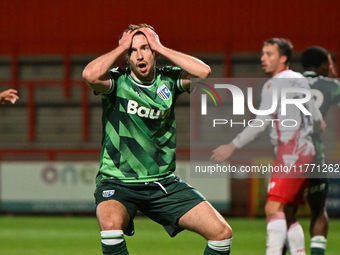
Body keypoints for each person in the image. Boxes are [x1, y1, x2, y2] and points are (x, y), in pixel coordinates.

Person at [82, 24, 232, 255]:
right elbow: (89, 75)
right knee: (111, 227)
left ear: (154, 53)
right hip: (118, 181)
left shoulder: (169, 81)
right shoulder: (117, 82)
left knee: (221, 234)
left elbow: (204, 73)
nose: (140, 55)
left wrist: (160, 45)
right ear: (126, 56)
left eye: (145, 48)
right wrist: (121, 46)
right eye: (132, 50)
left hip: (163, 182)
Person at [210, 38, 322, 255]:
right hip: (307, 150)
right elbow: (318, 120)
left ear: (283, 58)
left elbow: (260, 122)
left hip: (291, 150)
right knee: (288, 214)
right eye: (263, 53)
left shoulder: (275, 83)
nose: (263, 58)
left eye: (269, 54)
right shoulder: (301, 80)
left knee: (272, 208)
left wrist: (232, 146)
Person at [284, 46, 340, 255]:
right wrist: (334, 80)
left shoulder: (289, 83)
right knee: (318, 210)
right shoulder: (332, 85)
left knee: (285, 212)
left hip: (290, 154)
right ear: (325, 65)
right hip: (316, 153)